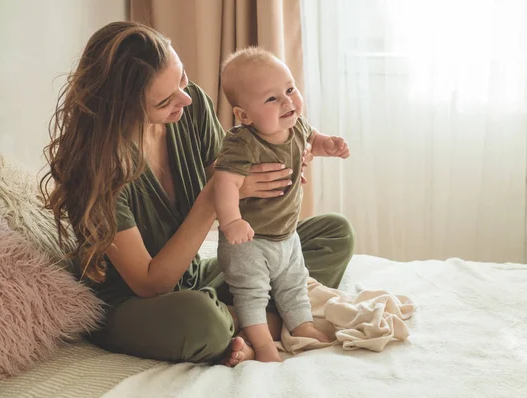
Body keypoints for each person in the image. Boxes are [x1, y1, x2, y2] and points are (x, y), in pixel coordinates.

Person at [41, 21, 354, 367]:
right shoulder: (95, 170)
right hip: (136, 304)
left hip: (194, 275)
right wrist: (211, 199)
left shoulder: (191, 109)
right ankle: (257, 322)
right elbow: (151, 282)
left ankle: (247, 324)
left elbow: (237, 183)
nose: (185, 98)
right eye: (164, 100)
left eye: (182, 78)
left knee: (333, 233)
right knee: (201, 320)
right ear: (123, 108)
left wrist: (279, 177)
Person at [214, 48, 350, 362]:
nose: (288, 102)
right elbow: (225, 183)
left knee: (294, 283)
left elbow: (312, 139)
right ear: (244, 115)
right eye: (272, 99)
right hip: (249, 242)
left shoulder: (296, 126)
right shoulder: (242, 142)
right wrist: (232, 221)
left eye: (289, 89)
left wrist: (327, 145)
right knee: (252, 295)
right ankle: (262, 346)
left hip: (286, 236)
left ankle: (302, 326)